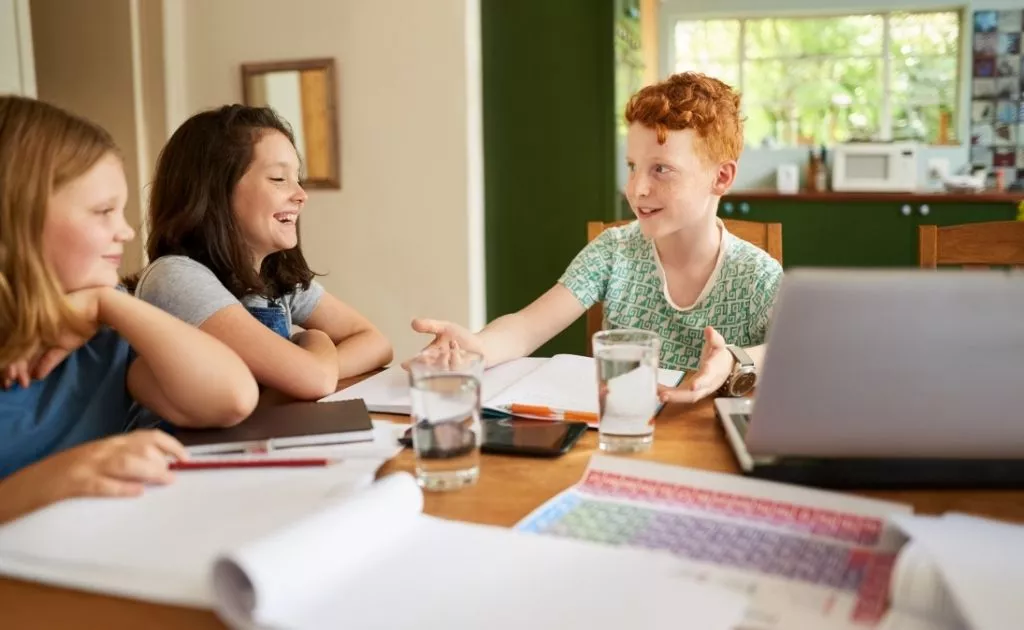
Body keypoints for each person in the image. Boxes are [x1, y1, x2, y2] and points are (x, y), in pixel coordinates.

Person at [410, 72, 782, 404]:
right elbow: (526, 327)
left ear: (721, 178)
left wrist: (736, 358)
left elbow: (803, 354)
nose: (636, 189)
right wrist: (477, 348)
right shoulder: (613, 251)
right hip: (620, 435)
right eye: (633, 167)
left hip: (707, 450)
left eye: (662, 169)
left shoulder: (757, 276)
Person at [0, 96, 260, 523]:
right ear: (17, 220)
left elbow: (232, 397)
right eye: (103, 211)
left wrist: (108, 301)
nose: (124, 231)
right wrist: (45, 482)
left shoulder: (98, 339)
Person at [131, 105, 392, 400]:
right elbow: (314, 379)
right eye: (279, 179)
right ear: (216, 191)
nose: (301, 195)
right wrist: (312, 339)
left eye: (298, 179)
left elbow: (375, 342)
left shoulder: (273, 277)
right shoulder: (176, 277)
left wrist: (313, 367)